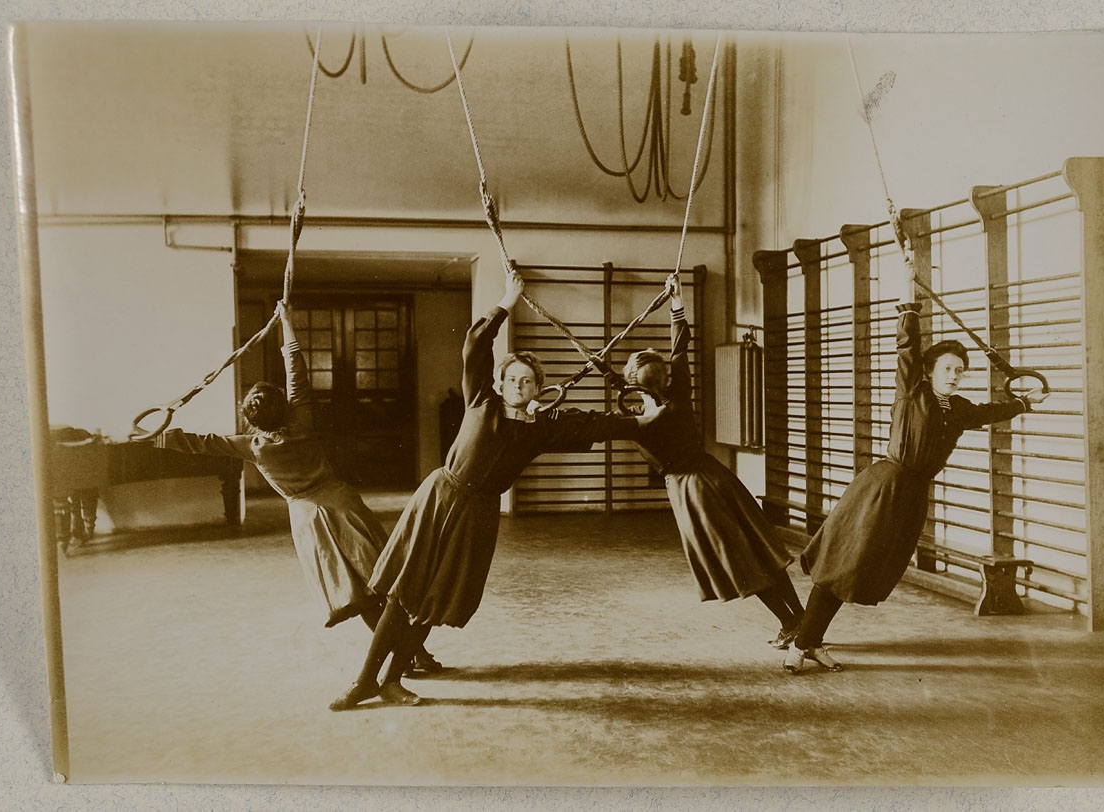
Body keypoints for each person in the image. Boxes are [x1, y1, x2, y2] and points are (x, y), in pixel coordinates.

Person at [329, 272, 667, 709]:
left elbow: (595, 424)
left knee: (433, 599)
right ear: (500, 383)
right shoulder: (480, 400)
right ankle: (365, 681)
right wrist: (507, 301)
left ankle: (392, 680)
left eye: (528, 381)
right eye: (513, 379)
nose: (519, 387)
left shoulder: (543, 427)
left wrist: (643, 419)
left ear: (538, 388)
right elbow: (475, 347)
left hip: (479, 514)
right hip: (440, 500)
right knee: (403, 593)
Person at [782, 260, 1050, 674]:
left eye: (960, 371)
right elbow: (906, 344)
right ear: (927, 371)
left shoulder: (957, 409)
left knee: (855, 573)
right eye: (948, 368)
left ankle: (809, 640)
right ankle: (802, 645)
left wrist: (1024, 403)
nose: (956, 375)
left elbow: (991, 411)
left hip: (909, 498)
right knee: (842, 566)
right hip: (881, 490)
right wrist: (907, 293)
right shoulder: (912, 392)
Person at [153, 302, 441, 672]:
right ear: (284, 407)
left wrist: (158, 437)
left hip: (309, 519)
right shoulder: (302, 419)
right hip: (342, 504)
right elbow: (296, 369)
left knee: (360, 595)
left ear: (251, 419)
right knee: (382, 583)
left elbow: (201, 441)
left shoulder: (252, 447)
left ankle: (403, 657)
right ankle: (418, 654)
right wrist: (287, 321)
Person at [623, 276, 806, 649]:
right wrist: (677, 303)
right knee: (759, 552)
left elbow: (633, 403)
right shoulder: (678, 396)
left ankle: (792, 623)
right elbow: (680, 349)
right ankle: (801, 619)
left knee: (743, 564)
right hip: (716, 476)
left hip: (694, 493)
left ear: (633, 386)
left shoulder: (637, 423)